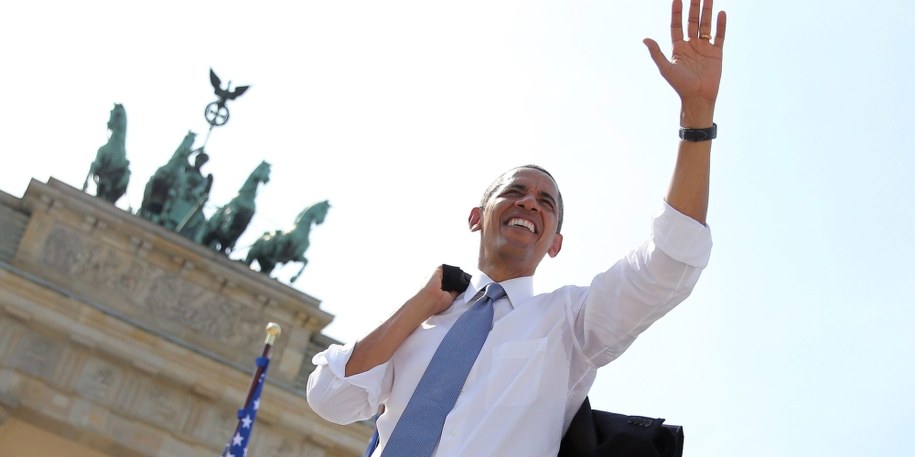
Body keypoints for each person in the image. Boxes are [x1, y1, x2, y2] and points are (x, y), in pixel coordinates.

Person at [306, 0, 726, 455]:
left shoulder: (569, 323)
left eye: (546, 203)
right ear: (476, 216)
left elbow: (669, 262)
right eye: (515, 192)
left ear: (555, 244)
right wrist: (420, 304)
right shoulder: (422, 321)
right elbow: (333, 398)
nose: (529, 202)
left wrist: (696, 121)